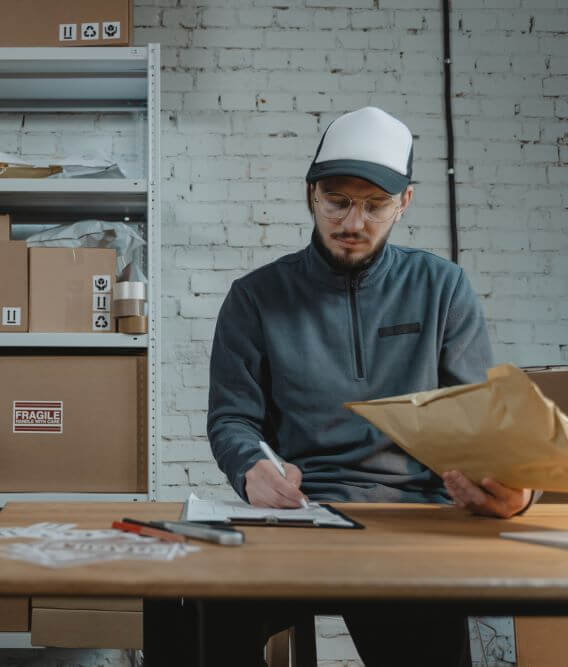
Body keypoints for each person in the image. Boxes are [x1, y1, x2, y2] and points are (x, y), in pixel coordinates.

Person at [205, 106, 534, 666]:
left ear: (404, 203)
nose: (353, 223)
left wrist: (515, 489)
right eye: (337, 200)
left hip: (415, 519)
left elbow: (481, 419)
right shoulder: (255, 297)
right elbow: (232, 418)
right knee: (206, 617)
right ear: (312, 194)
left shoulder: (442, 287)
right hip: (303, 513)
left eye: (375, 204)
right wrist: (249, 468)